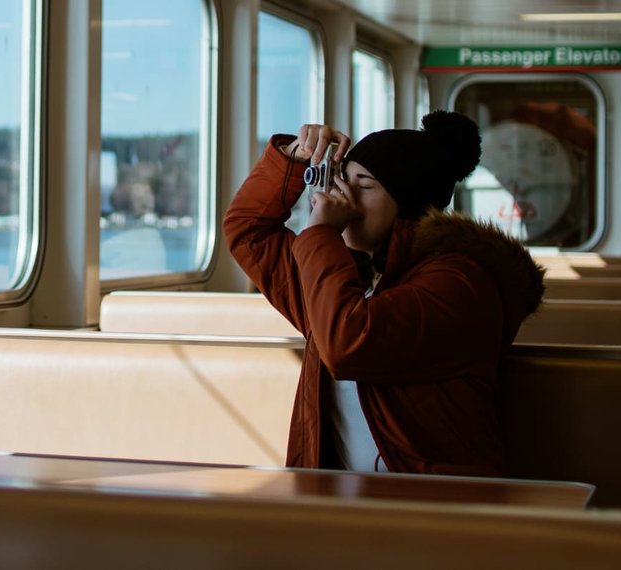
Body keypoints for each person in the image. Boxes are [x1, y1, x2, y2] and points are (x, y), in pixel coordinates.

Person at [223, 111, 545, 477]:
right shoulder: (350, 274)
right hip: (344, 497)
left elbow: (347, 345)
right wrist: (295, 159)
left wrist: (321, 235)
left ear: (409, 207)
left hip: (436, 503)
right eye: (343, 180)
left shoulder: (460, 283)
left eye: (364, 185)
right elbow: (248, 230)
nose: (343, 197)